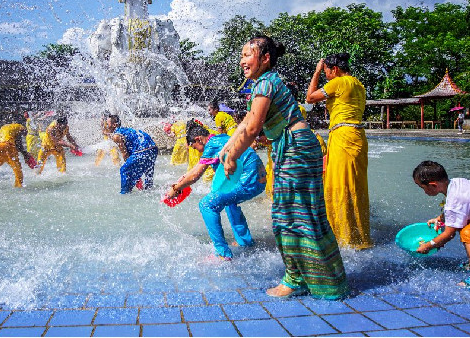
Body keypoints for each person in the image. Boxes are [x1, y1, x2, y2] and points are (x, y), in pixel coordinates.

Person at [221, 35, 348, 300]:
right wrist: (228, 147)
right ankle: (314, 277)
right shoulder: (263, 83)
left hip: (295, 148)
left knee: (289, 216)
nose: (243, 60)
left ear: (265, 58)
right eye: (242, 55)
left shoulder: (265, 83)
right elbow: (247, 121)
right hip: (294, 146)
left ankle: (298, 278)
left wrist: (233, 157)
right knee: (298, 214)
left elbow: (254, 129)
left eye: (248, 55)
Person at [166, 120, 266, 260]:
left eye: (195, 147)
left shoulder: (211, 145)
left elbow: (195, 175)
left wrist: (175, 189)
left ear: (198, 139)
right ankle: (245, 241)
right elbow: (196, 171)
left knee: (206, 205)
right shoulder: (221, 138)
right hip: (260, 180)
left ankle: (222, 254)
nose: (197, 151)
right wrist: (183, 180)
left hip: (249, 181)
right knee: (229, 202)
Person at [306, 53, 372, 250]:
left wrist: (316, 72)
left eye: (326, 71)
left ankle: (344, 237)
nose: (326, 75)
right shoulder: (358, 84)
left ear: (334, 69)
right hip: (357, 137)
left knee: (340, 185)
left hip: (343, 137)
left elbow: (310, 98)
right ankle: (359, 234)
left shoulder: (339, 82)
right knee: (355, 185)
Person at [413, 161, 470, 288]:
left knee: (467, 233)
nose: (423, 191)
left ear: (433, 185)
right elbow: (462, 210)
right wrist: (440, 219)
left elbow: (449, 234)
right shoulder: (457, 182)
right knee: (463, 224)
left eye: (422, 187)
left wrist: (429, 245)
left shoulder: (454, 202)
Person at [103, 114, 158, 194]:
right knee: (147, 170)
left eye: (107, 124)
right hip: (153, 148)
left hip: (142, 150)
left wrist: (129, 168)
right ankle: (148, 189)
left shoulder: (116, 136)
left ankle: (124, 194)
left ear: (114, 125)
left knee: (124, 170)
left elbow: (125, 154)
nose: (106, 126)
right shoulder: (126, 130)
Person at [0, 122, 34, 189]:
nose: (24, 135)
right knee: (17, 168)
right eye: (25, 133)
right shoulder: (20, 127)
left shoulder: (5, 127)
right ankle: (19, 186)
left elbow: (15, 143)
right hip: (8, 145)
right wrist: (25, 155)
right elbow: (18, 144)